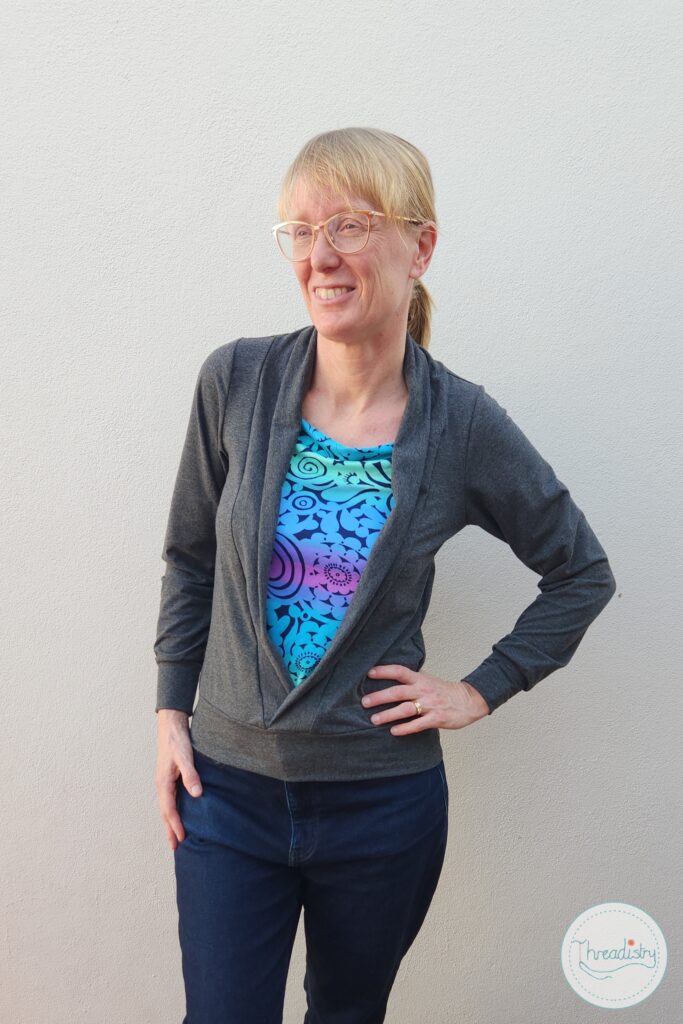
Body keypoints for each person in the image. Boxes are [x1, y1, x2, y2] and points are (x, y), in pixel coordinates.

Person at [154, 127, 617, 1024]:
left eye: (350, 226)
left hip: (379, 806)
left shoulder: (461, 424)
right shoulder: (236, 380)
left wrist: (481, 688)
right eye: (299, 231)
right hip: (227, 792)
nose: (319, 256)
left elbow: (579, 572)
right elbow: (191, 555)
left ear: (420, 245)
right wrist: (171, 710)